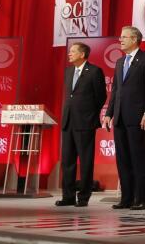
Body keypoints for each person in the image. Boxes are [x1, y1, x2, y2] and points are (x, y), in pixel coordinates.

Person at [102, 26, 145, 210]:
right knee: (123, 159)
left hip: (137, 116)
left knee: (138, 158)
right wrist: (109, 113)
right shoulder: (119, 62)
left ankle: (141, 199)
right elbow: (116, 90)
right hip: (119, 117)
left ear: (134, 39)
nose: (120, 40)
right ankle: (126, 198)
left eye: (124, 37)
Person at [56, 42, 106, 207]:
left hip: (85, 122)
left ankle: (83, 197)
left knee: (85, 161)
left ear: (82, 54)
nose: (69, 54)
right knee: (67, 160)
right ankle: (67, 196)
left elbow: (101, 97)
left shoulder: (94, 71)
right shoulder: (69, 71)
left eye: (73, 51)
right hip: (68, 121)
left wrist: (89, 114)